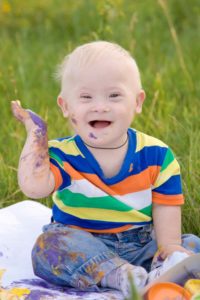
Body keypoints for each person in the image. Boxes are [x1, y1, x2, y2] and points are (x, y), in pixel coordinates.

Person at [11, 41, 200, 298]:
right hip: (83, 243)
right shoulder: (62, 155)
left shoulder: (157, 155)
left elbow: (166, 208)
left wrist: (169, 249)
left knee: (191, 246)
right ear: (66, 106)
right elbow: (33, 188)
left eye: (114, 95)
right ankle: (124, 276)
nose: (100, 106)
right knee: (49, 247)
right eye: (86, 97)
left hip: (141, 244)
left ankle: (159, 271)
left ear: (137, 102)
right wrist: (36, 135)